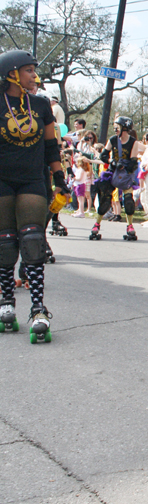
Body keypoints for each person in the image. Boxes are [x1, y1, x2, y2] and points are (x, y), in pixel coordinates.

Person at [0, 50, 68, 341]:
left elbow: (52, 147)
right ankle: (6, 304)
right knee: (5, 243)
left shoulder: (41, 104)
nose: (34, 75)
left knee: (32, 241)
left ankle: (38, 309)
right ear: (12, 73)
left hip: (32, 179)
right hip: (1, 180)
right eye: (28, 70)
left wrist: (60, 179)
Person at [90, 116, 145, 241]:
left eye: (117, 127)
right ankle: (97, 224)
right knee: (105, 198)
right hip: (112, 172)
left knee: (129, 201)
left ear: (124, 128)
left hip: (125, 174)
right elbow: (104, 155)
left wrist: (125, 166)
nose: (115, 129)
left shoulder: (133, 142)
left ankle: (130, 226)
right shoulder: (113, 140)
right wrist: (112, 162)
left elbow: (133, 162)